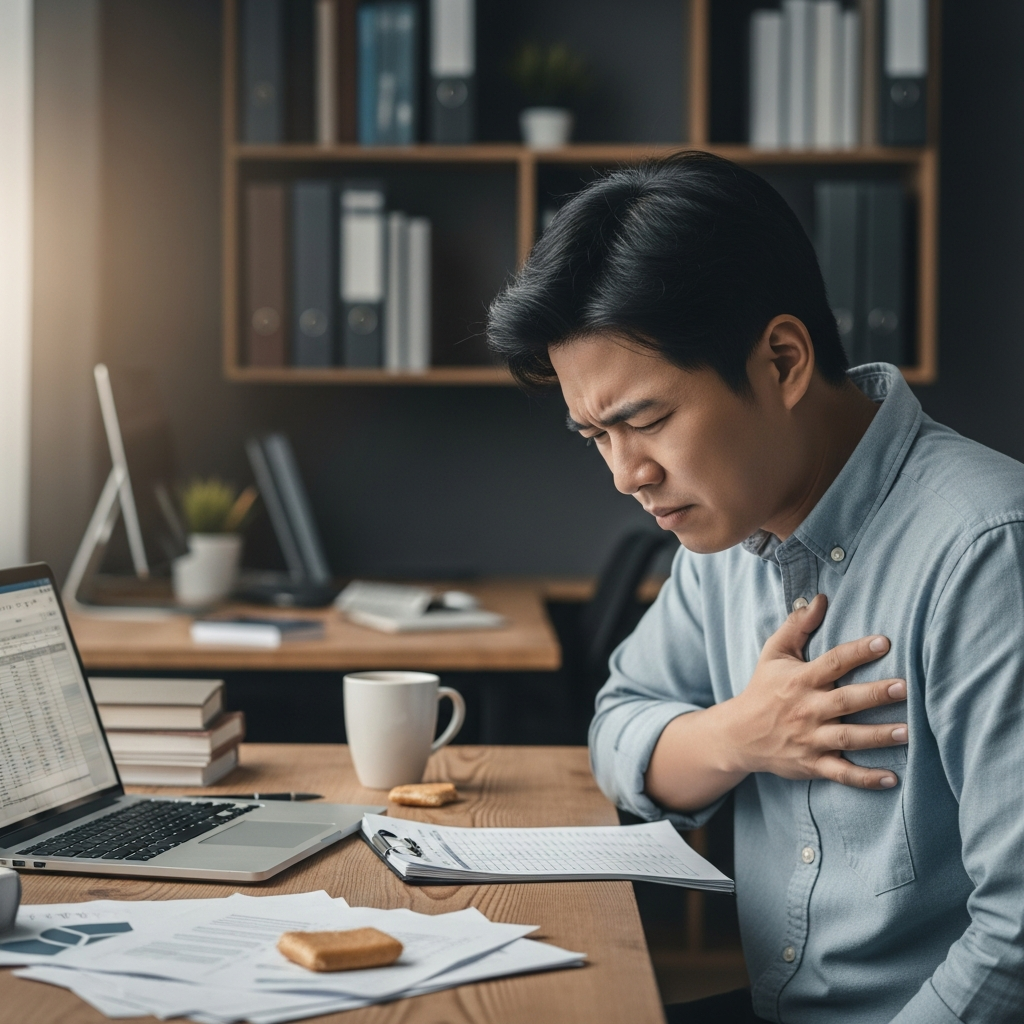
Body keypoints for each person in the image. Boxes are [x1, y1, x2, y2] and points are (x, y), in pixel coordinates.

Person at [486, 152, 1024, 1024]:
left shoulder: (987, 551)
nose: (627, 475)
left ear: (781, 360)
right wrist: (738, 735)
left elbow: (1016, 939)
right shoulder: (722, 530)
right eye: (594, 436)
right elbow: (619, 722)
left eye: (646, 420)